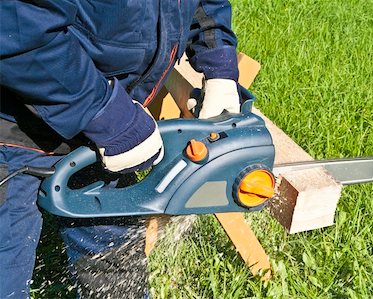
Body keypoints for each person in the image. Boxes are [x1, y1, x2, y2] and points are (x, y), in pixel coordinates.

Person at [0, 1, 241, 297]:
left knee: (116, 277)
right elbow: (15, 26)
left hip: (105, 125)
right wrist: (106, 114)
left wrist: (219, 63)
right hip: (13, 124)